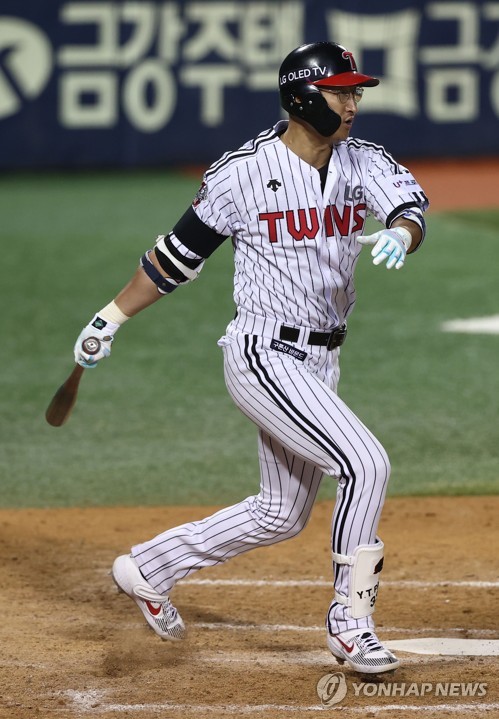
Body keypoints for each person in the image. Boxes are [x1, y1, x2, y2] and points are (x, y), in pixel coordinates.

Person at [74, 41, 428, 674]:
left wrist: (403, 231)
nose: (352, 104)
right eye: (339, 92)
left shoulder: (360, 160)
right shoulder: (244, 171)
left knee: (281, 512)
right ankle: (350, 622)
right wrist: (110, 317)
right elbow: (174, 259)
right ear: (301, 98)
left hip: (321, 362)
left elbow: (408, 206)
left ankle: (149, 567)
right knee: (366, 464)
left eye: (355, 92)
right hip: (263, 353)